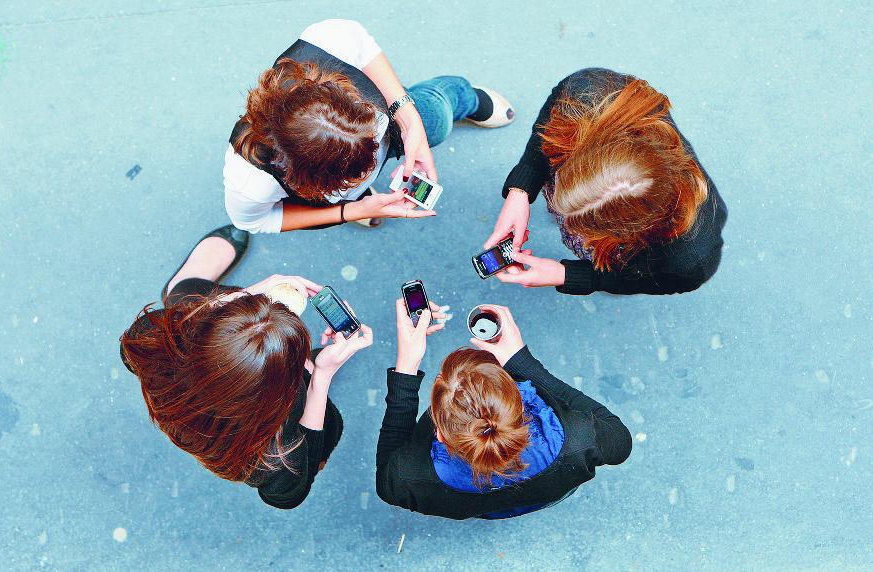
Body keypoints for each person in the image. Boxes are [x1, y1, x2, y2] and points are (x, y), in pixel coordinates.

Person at [120, 225, 373, 509]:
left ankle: (186, 282)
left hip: (196, 362)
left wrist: (247, 295)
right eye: (295, 361)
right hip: (287, 413)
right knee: (184, 299)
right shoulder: (276, 455)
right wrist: (320, 377)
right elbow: (290, 493)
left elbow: (129, 349)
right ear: (279, 391)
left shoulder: (157, 347)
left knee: (183, 299)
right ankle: (187, 286)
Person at [225, 19, 515, 232]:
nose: (376, 158)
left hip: (392, 119)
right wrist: (350, 210)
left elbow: (365, 50)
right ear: (302, 175)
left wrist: (410, 123)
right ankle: (361, 198)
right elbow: (255, 221)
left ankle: (464, 97)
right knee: (361, 195)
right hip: (339, 197)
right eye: (357, 173)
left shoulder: (326, 40)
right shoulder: (251, 183)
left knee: (435, 119)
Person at [483, 68, 727, 295]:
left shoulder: (690, 259)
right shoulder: (590, 94)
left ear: (630, 229)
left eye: (582, 224)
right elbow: (549, 124)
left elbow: (657, 281)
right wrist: (521, 190)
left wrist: (573, 276)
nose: (560, 213)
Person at [376, 302, 631, 519]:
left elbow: (386, 481)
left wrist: (406, 367)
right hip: (549, 492)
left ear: (440, 435)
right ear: (521, 402)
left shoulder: (409, 478)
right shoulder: (580, 438)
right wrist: (523, 364)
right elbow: (620, 440)